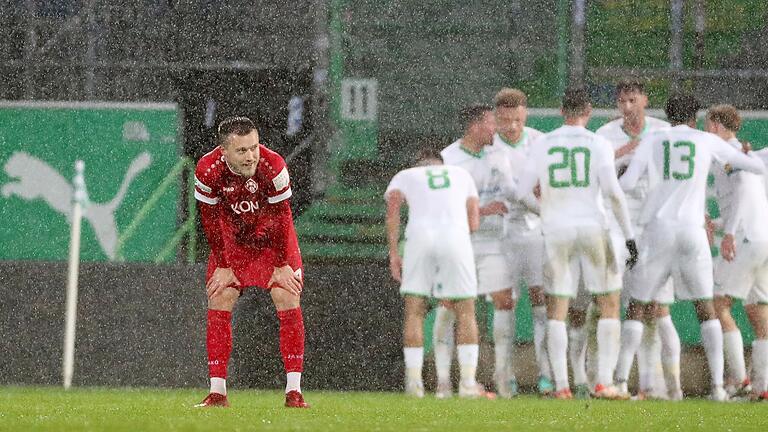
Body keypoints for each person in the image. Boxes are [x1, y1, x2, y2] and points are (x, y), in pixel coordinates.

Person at [617, 95, 766, 401]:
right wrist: (743, 154)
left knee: (638, 306)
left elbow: (629, 184)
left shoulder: (653, 139)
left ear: (667, 115)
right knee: (705, 308)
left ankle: (619, 382)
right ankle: (718, 388)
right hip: (692, 231)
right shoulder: (704, 140)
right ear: (694, 118)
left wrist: (624, 169)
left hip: (657, 230)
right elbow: (754, 167)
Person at [515, 87, 637, 400]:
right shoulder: (599, 142)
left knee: (557, 307)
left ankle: (561, 386)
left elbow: (521, 192)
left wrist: (546, 212)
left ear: (561, 111)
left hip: (557, 230)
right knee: (609, 302)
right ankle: (603, 383)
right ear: (589, 111)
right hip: (593, 227)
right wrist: (629, 236)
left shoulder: (542, 142)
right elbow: (612, 192)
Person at [193, 116, 309, 408]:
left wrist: (282, 264)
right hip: (235, 244)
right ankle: (217, 392)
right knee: (220, 295)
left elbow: (283, 217)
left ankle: (293, 392)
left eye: (254, 147)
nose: (251, 156)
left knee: (287, 294)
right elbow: (207, 219)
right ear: (224, 151)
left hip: (273, 242)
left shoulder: (274, 166)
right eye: (242, 151)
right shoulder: (207, 171)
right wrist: (222, 262)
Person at [385, 148, 490, 399]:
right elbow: (474, 222)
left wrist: (393, 253)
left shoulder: (405, 175)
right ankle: (466, 383)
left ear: (418, 164)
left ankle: (414, 384)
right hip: (455, 238)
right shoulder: (461, 174)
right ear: (441, 164)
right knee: (465, 311)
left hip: (419, 239)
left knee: (415, 311)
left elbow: (393, 211)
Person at [595, 78, 671, 400]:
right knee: (608, 303)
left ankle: (655, 384)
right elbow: (594, 175)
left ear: (645, 100)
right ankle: (604, 377)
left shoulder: (662, 131)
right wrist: (619, 153)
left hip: (652, 225)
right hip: (616, 227)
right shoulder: (604, 136)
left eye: (633, 100)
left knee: (655, 307)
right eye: (622, 101)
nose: (627, 108)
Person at [436, 104, 514, 398]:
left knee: (503, 301)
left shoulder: (498, 155)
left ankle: (502, 376)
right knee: (450, 306)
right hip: (460, 243)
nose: (497, 129)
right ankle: (444, 381)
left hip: (494, 243)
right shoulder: (449, 159)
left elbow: (510, 192)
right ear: (475, 126)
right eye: (492, 123)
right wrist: (482, 211)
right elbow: (442, 206)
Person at [492, 88, 554, 396]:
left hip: (535, 232)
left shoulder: (540, 141)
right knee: (504, 303)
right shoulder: (489, 145)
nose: (511, 127)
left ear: (524, 114)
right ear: (495, 117)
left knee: (541, 302)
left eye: (516, 119)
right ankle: (505, 375)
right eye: (504, 121)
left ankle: (546, 374)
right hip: (501, 233)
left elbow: (550, 184)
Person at [707, 104, 768, 400]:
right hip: (763, 239)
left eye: (709, 124)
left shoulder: (728, 155)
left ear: (717, 125)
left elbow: (742, 188)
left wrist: (728, 232)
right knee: (758, 311)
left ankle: (742, 381)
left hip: (745, 239)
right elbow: (745, 201)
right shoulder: (744, 154)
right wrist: (718, 223)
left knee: (719, 305)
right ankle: (763, 388)